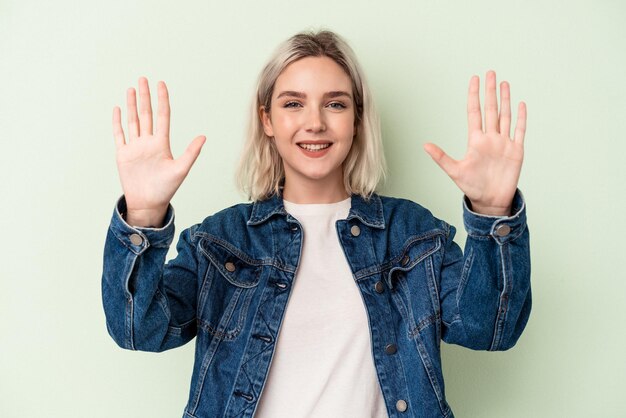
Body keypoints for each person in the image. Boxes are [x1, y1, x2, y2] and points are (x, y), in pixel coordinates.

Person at [102, 30, 530, 418]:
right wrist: (142, 217)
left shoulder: (413, 234)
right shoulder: (219, 243)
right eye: (293, 103)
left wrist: (492, 214)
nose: (315, 122)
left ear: (357, 119)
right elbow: (140, 331)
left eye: (335, 104)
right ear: (267, 119)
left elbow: (489, 329)